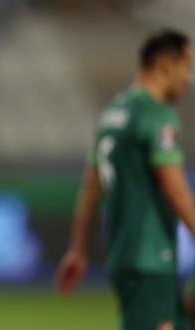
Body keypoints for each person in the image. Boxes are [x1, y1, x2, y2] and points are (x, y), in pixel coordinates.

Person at [56, 29, 195, 330]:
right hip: (151, 258)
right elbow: (175, 187)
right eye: (187, 68)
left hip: (124, 255)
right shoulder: (156, 115)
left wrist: (78, 250)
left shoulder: (112, 115)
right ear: (166, 65)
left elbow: (91, 189)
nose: (188, 79)